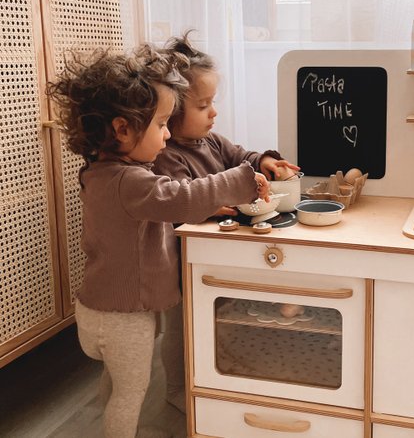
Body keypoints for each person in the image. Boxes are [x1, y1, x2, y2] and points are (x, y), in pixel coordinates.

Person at [46, 45, 270, 438]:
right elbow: (180, 197)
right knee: (131, 395)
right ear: (122, 129)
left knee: (117, 386)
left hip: (99, 309)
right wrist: (240, 179)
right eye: (162, 124)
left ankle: (108, 425)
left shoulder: (103, 171)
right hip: (123, 317)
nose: (168, 133)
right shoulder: (131, 182)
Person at [151, 32, 299, 412]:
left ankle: (219, 374)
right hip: (180, 262)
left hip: (218, 251)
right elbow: (181, 197)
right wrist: (212, 206)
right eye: (203, 105)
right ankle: (178, 389)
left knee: (219, 319)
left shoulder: (212, 141)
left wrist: (265, 162)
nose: (213, 112)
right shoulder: (167, 154)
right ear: (170, 110)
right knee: (182, 330)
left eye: (212, 102)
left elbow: (242, 157)